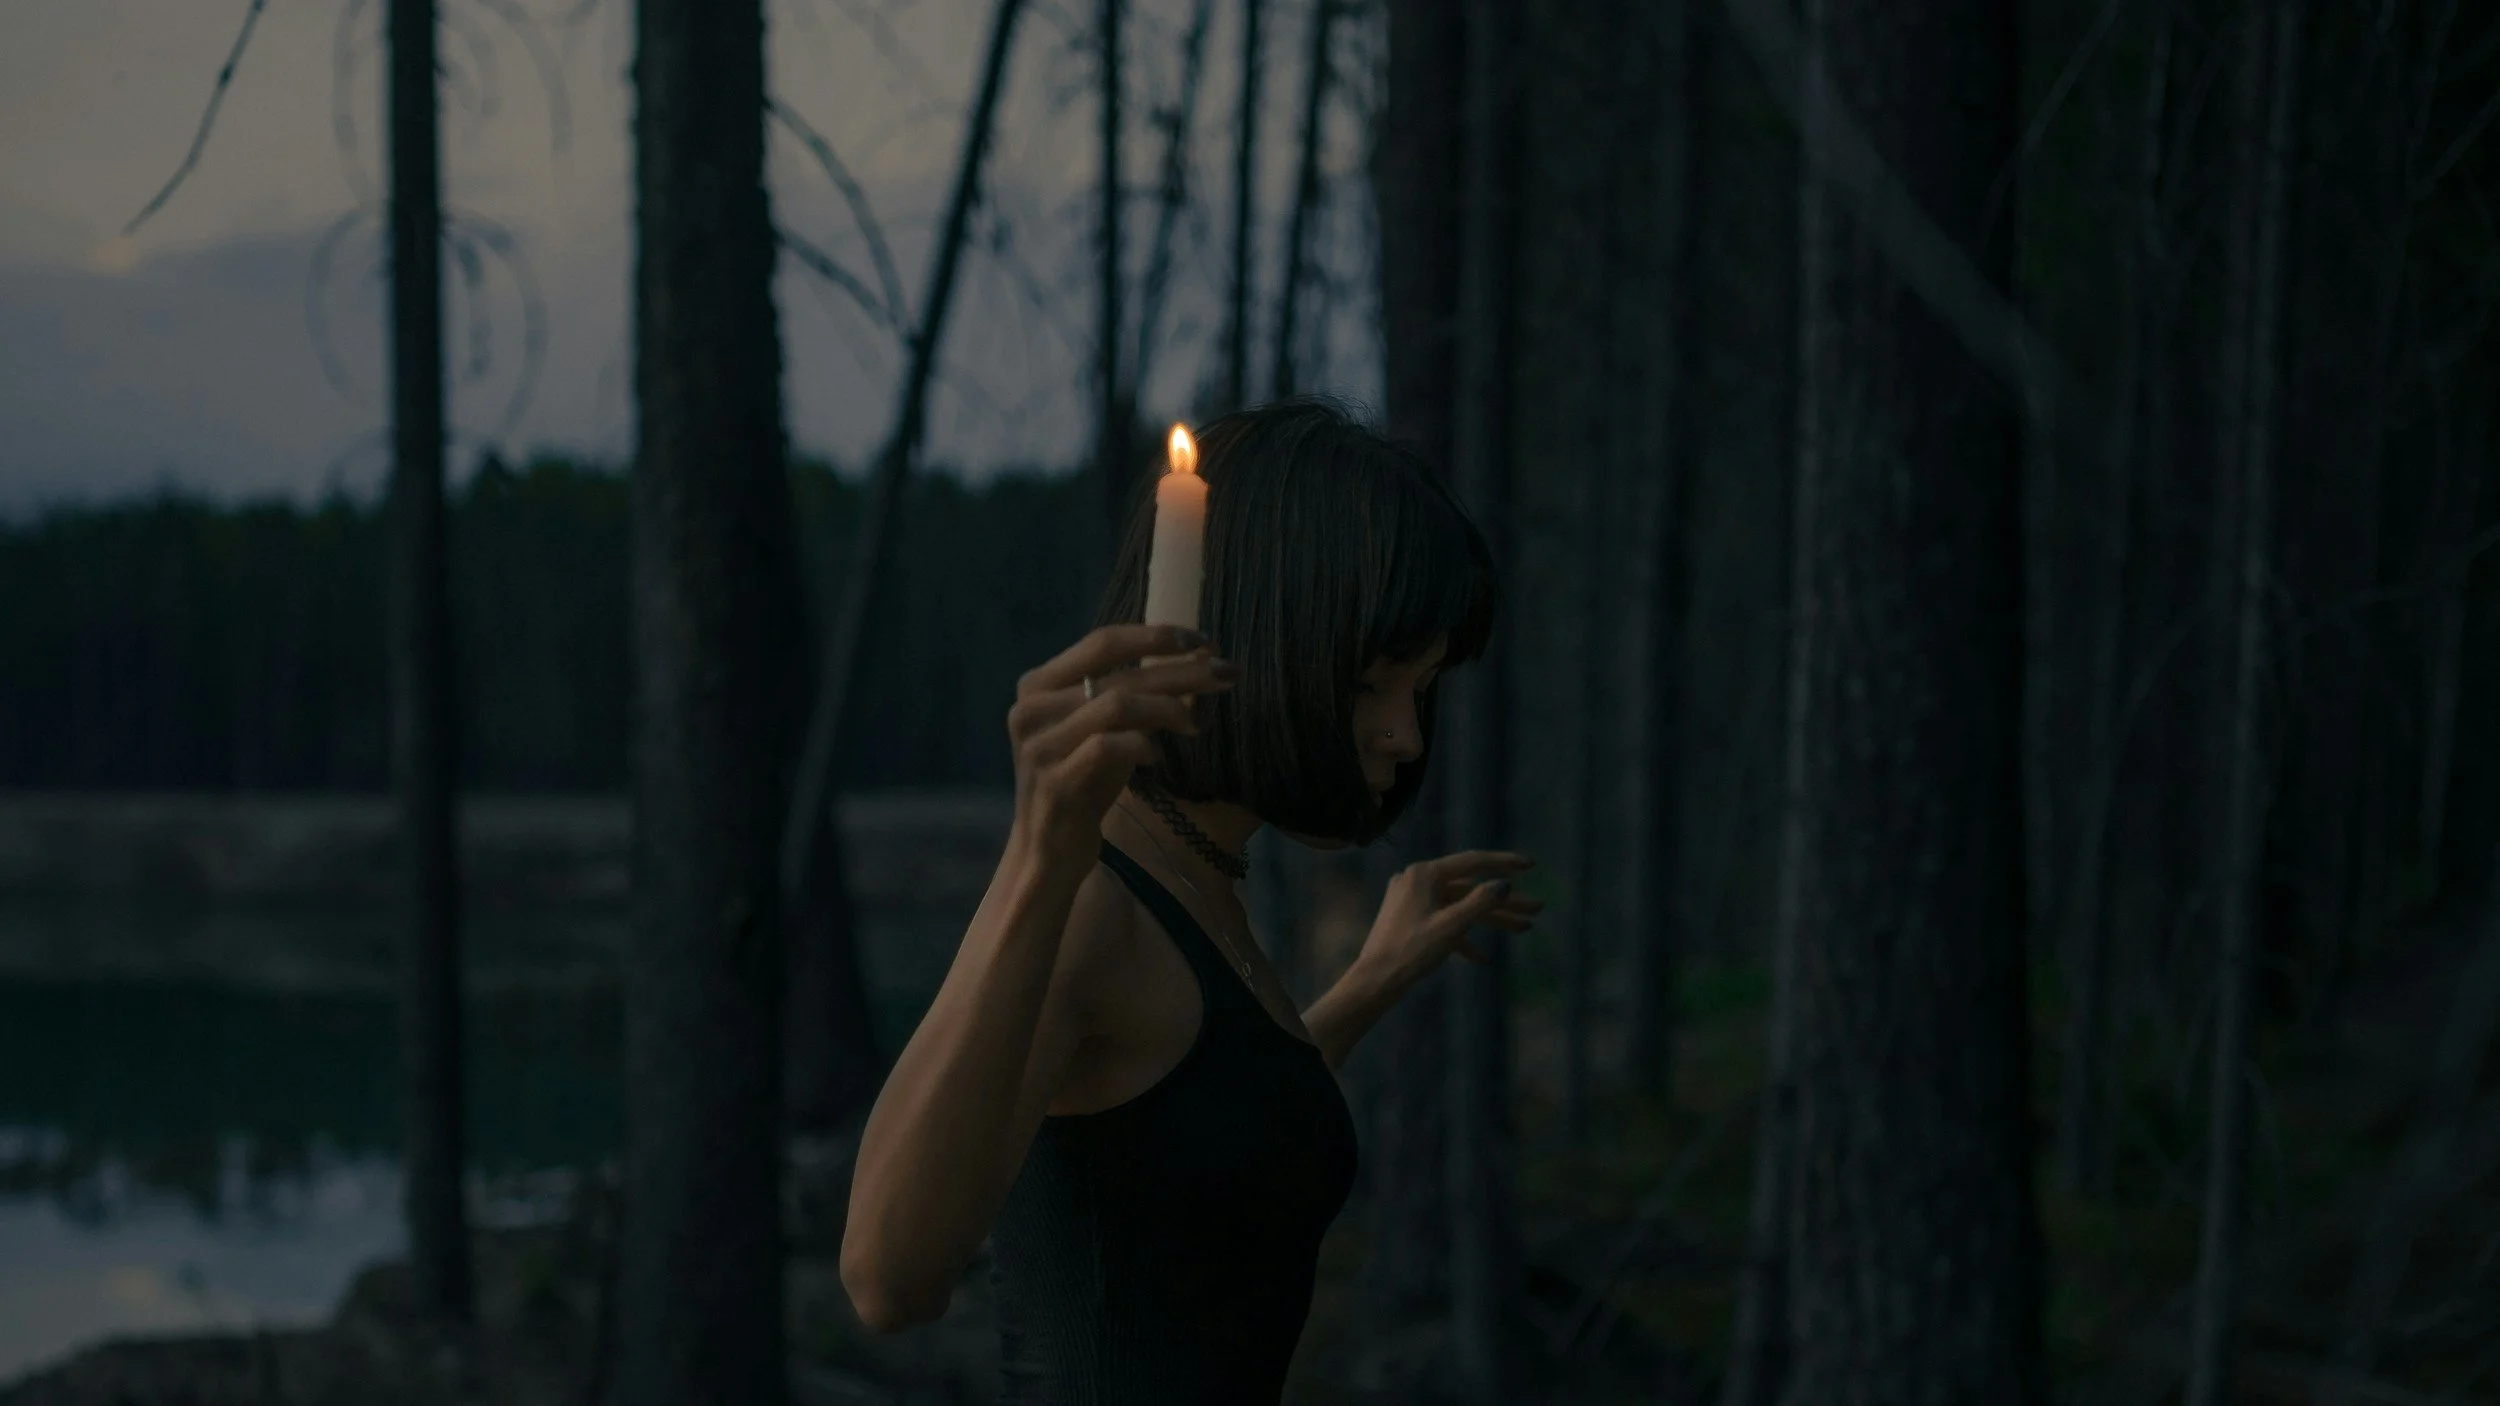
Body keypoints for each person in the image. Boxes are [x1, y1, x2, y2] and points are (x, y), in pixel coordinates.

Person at [839, 400, 1540, 1403]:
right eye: (1374, 686)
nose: (1404, 737)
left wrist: (1365, 984)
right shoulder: (1091, 899)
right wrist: (1038, 857)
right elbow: (885, 1275)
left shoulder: (1196, 872)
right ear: (1264, 642)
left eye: (1421, 690)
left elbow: (1197, 1135)